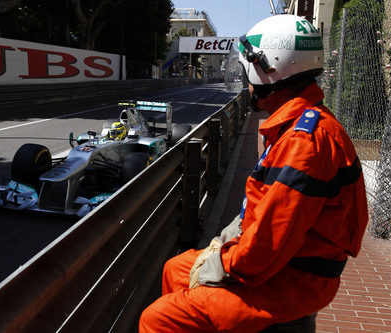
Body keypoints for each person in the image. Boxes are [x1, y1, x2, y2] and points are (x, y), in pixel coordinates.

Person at [139, 14, 368, 332]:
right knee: (175, 268)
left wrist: (216, 264)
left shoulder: (304, 142)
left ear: (272, 69)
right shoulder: (303, 124)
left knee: (159, 318)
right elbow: (264, 217)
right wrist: (222, 247)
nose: (247, 81)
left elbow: (263, 250)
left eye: (250, 71)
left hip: (292, 282)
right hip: (290, 266)